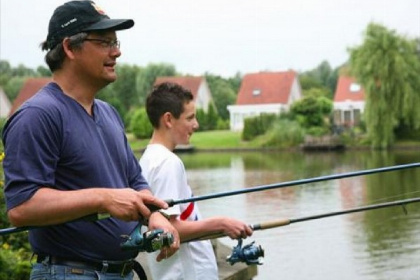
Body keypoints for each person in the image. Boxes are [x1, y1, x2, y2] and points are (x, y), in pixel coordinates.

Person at [1, 1, 179, 280]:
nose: (117, 51)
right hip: (69, 273)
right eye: (105, 42)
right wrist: (102, 198)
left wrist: (155, 216)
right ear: (70, 48)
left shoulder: (109, 113)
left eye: (116, 42)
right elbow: (22, 208)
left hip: (122, 273)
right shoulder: (38, 115)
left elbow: (135, 182)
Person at [139, 82, 254, 280]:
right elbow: (169, 231)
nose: (196, 124)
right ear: (168, 119)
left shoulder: (147, 160)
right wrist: (222, 224)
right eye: (190, 117)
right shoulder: (168, 163)